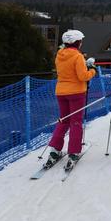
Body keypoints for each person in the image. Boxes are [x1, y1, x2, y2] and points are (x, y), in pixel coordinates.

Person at [45, 29, 96, 168]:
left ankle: (55, 150)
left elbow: (68, 71)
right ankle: (73, 152)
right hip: (76, 93)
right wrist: (92, 70)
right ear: (77, 42)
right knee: (75, 122)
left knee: (63, 120)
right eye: (81, 41)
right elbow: (82, 76)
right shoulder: (78, 56)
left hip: (61, 92)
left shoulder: (59, 54)